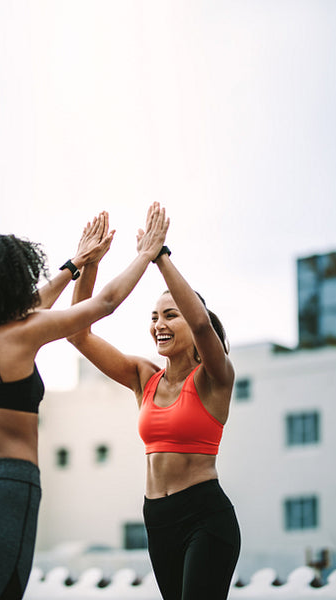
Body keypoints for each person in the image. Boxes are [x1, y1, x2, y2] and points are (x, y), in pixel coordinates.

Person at [0, 203, 169, 600]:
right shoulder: (21, 334)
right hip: (5, 494)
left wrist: (76, 264)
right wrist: (145, 254)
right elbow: (103, 303)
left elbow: (31, 307)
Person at [67, 206, 241, 600]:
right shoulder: (144, 377)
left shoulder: (216, 377)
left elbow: (201, 324)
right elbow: (77, 334)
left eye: (170, 315)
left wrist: (159, 257)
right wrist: (89, 266)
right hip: (157, 518)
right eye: (154, 317)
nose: (159, 324)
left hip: (205, 516)